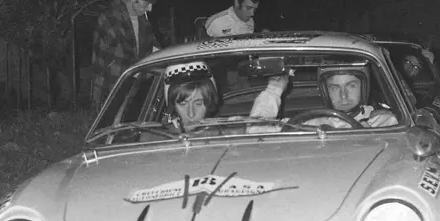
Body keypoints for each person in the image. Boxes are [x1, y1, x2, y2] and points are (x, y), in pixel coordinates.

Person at [91, 0, 162, 108]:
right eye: (147, 4)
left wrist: (166, 59)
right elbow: (123, 62)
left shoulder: (142, 19)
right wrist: (154, 70)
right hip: (111, 88)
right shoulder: (110, 19)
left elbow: (153, 45)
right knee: (112, 127)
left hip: (131, 87)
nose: (150, 9)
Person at [249, 65, 398, 130]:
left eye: (351, 85)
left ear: (364, 87)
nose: (343, 95)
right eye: (335, 88)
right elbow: (257, 132)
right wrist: (274, 89)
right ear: (325, 91)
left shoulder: (384, 122)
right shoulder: (310, 122)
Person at [163, 62, 221, 132]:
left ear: (209, 103)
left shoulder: (226, 136)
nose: (191, 114)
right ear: (173, 106)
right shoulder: (161, 137)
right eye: (183, 104)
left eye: (198, 104)